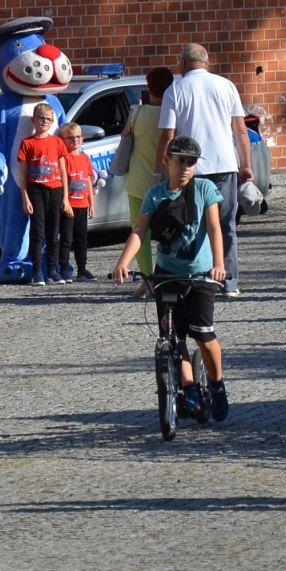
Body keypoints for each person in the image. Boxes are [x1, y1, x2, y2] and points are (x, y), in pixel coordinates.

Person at [108, 135, 230, 421]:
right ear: (167, 161)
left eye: (191, 163)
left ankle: (217, 385)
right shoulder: (156, 194)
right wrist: (123, 263)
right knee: (174, 337)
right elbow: (140, 232)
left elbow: (214, 228)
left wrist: (219, 264)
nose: (185, 168)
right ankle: (188, 387)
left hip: (199, 274)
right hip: (166, 274)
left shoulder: (205, 189)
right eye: (180, 162)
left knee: (203, 334)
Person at [156, 43, 253, 297]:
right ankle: (229, 282)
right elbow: (240, 130)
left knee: (194, 225)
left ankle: (197, 280)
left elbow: (168, 134)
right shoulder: (226, 85)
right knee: (225, 224)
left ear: (182, 64)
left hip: (191, 167)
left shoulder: (175, 89)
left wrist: (161, 170)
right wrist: (246, 166)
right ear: (207, 63)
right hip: (224, 165)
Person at [122, 66, 174, 295]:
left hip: (138, 182)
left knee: (139, 232)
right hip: (167, 181)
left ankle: (147, 280)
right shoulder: (173, 114)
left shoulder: (136, 112)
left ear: (148, 87)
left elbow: (124, 137)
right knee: (172, 231)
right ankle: (170, 275)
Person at [16, 101, 67, 286]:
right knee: (37, 231)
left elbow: (63, 172)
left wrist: (66, 198)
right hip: (35, 189)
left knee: (54, 232)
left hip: (55, 189)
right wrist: (25, 197)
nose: (45, 122)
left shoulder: (57, 142)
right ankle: (37, 270)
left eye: (48, 119)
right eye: (41, 119)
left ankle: (52, 270)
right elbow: (23, 173)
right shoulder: (27, 143)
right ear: (34, 120)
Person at [58, 122, 96, 282]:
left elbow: (88, 181)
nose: (75, 140)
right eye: (70, 137)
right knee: (67, 239)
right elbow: (62, 180)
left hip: (83, 205)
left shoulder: (85, 158)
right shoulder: (64, 158)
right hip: (70, 205)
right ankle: (64, 268)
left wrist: (91, 203)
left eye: (78, 136)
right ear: (63, 140)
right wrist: (65, 201)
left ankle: (82, 269)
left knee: (82, 239)